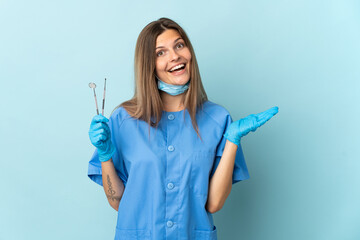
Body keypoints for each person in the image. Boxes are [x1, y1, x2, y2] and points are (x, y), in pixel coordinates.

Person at [88, 17, 278, 240]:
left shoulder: (217, 119)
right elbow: (117, 201)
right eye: (161, 52)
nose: (175, 56)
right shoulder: (123, 120)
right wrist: (105, 155)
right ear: (149, 65)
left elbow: (214, 203)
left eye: (179, 45)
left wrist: (232, 141)